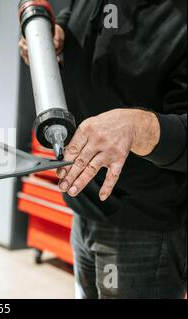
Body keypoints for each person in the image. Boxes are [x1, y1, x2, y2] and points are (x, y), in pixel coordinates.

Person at [19, 0, 187, 299]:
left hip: (143, 224)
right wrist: (57, 37)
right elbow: (75, 15)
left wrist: (138, 127)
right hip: (83, 205)